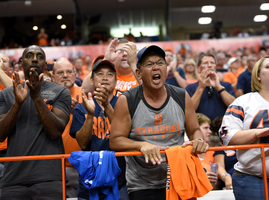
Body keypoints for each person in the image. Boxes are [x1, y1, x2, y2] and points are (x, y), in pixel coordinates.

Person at [109, 45, 209, 200]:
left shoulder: (182, 96)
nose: (156, 67)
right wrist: (140, 145)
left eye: (160, 63)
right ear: (139, 73)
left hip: (180, 177)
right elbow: (115, 141)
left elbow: (194, 129)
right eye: (149, 64)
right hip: (143, 184)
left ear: (167, 69)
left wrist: (199, 140)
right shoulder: (127, 100)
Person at [219, 55, 269, 200]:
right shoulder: (242, 102)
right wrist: (256, 133)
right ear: (257, 76)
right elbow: (227, 136)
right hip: (251, 178)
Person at [0, 45, 71, 199]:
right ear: (21, 62)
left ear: (45, 65)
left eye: (39, 57)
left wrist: (37, 97)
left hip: (50, 178)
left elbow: (55, 132)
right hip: (13, 178)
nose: (34, 59)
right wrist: (17, 104)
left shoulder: (60, 91)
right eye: (29, 56)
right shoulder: (5, 94)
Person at [70, 60, 128, 200]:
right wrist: (90, 115)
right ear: (92, 79)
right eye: (100, 74)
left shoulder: (124, 103)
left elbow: (124, 133)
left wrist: (107, 106)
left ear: (116, 79)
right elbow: (83, 144)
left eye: (109, 74)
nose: (105, 77)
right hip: (89, 180)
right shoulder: (81, 107)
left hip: (119, 181)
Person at [52, 57, 82, 198]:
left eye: (69, 71)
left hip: (82, 166)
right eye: (60, 72)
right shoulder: (44, 97)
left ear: (75, 75)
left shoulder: (86, 94)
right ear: (53, 77)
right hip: (54, 167)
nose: (65, 75)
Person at [186, 53, 236, 122]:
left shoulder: (227, 86)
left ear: (216, 66)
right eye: (205, 63)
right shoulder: (191, 88)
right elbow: (188, 111)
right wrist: (200, 88)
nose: (209, 65)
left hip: (222, 128)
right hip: (200, 129)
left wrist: (219, 88)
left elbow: (235, 108)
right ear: (199, 68)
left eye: (212, 63)